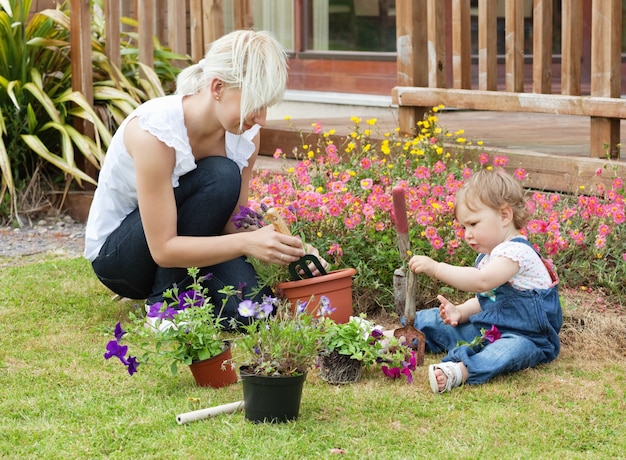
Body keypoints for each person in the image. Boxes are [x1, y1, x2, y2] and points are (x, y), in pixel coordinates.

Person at [84, 30, 326, 328]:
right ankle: (165, 305)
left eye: (267, 106)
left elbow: (230, 224)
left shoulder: (245, 135)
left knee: (255, 312)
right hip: (125, 260)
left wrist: (285, 246)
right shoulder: (155, 133)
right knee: (221, 174)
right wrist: (248, 243)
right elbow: (163, 249)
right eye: (255, 104)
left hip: (189, 246)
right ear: (217, 88)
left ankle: (191, 297)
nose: (262, 118)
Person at [406, 169, 562, 393]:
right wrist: (460, 311)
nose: (467, 234)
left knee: (506, 352)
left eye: (473, 224)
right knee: (445, 325)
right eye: (463, 227)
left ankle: (460, 371)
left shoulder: (516, 253)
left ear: (504, 216)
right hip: (492, 329)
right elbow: (490, 300)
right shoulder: (491, 255)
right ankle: (388, 337)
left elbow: (482, 282)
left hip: (529, 338)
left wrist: (436, 267)